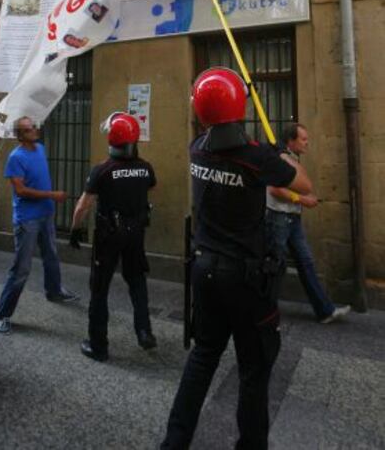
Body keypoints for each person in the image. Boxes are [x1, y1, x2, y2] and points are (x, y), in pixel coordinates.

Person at [161, 68, 312, 450]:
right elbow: (304, 185)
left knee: (203, 359)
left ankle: (174, 443)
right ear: (240, 106)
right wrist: (279, 154)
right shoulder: (257, 158)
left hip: (205, 271)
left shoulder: (197, 147)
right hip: (245, 280)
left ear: (199, 111)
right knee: (254, 370)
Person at [70, 111, 157, 362]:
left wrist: (76, 229)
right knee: (137, 281)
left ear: (111, 139)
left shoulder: (102, 170)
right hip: (135, 232)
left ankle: (98, 346)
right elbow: (151, 187)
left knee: (99, 289)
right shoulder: (145, 168)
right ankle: (144, 331)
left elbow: (83, 206)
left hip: (109, 235)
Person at [0, 116, 78, 335]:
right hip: (27, 220)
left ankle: (54, 291)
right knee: (21, 269)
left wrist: (49, 201)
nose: (35, 130)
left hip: (45, 214)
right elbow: (20, 191)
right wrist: (52, 195)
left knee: (51, 256)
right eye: (30, 129)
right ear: (20, 135)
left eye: (34, 126)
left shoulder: (40, 148)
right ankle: (1, 315)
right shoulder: (15, 157)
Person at [265, 122, 351, 324]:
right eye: (303, 139)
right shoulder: (280, 159)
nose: (307, 143)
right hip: (278, 218)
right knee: (274, 266)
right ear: (290, 141)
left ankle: (324, 311)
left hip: (291, 218)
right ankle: (261, 311)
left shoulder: (291, 158)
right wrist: (303, 200)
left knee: (305, 263)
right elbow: (274, 189)